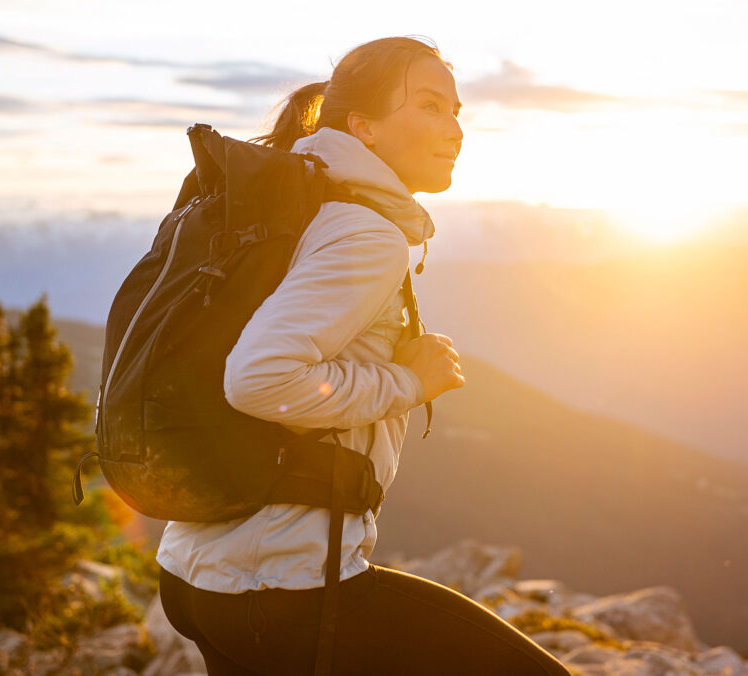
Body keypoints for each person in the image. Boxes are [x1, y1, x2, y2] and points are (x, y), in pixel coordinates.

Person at [156, 36, 571, 675]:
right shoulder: (365, 234)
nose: (454, 129)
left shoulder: (299, 205)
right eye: (430, 107)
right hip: (285, 587)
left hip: (197, 574)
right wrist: (406, 379)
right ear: (363, 128)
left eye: (457, 111)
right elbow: (257, 380)